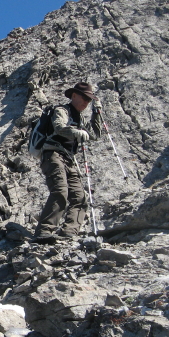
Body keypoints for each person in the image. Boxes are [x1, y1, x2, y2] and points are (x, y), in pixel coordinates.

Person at [34, 82, 103, 244]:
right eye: (84, 98)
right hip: (53, 154)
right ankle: (44, 231)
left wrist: (97, 112)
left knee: (80, 197)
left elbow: (95, 135)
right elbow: (59, 127)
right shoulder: (62, 110)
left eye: (89, 100)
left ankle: (69, 232)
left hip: (69, 159)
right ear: (74, 95)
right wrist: (75, 132)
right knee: (60, 191)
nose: (86, 102)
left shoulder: (81, 119)